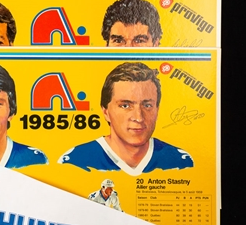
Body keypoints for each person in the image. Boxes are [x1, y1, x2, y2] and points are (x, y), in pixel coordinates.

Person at [58, 62, 194, 176]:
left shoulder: (180, 161)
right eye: (125, 105)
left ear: (157, 110)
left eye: (147, 105)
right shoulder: (77, 160)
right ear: (105, 112)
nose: (138, 117)